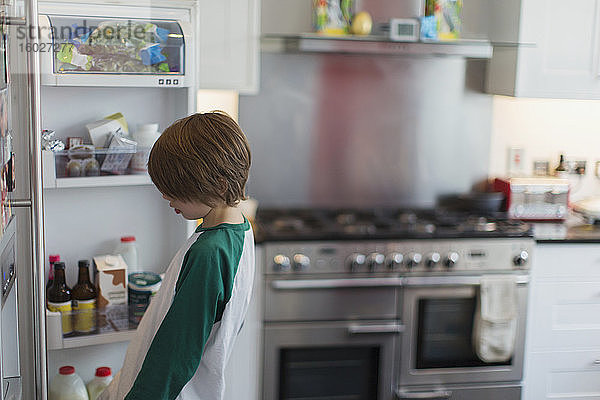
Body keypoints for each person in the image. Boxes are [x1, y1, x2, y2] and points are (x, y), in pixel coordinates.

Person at [99, 112, 254, 400]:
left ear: (219, 184)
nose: (166, 197)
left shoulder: (209, 253)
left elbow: (176, 352)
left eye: (175, 189)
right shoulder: (239, 229)